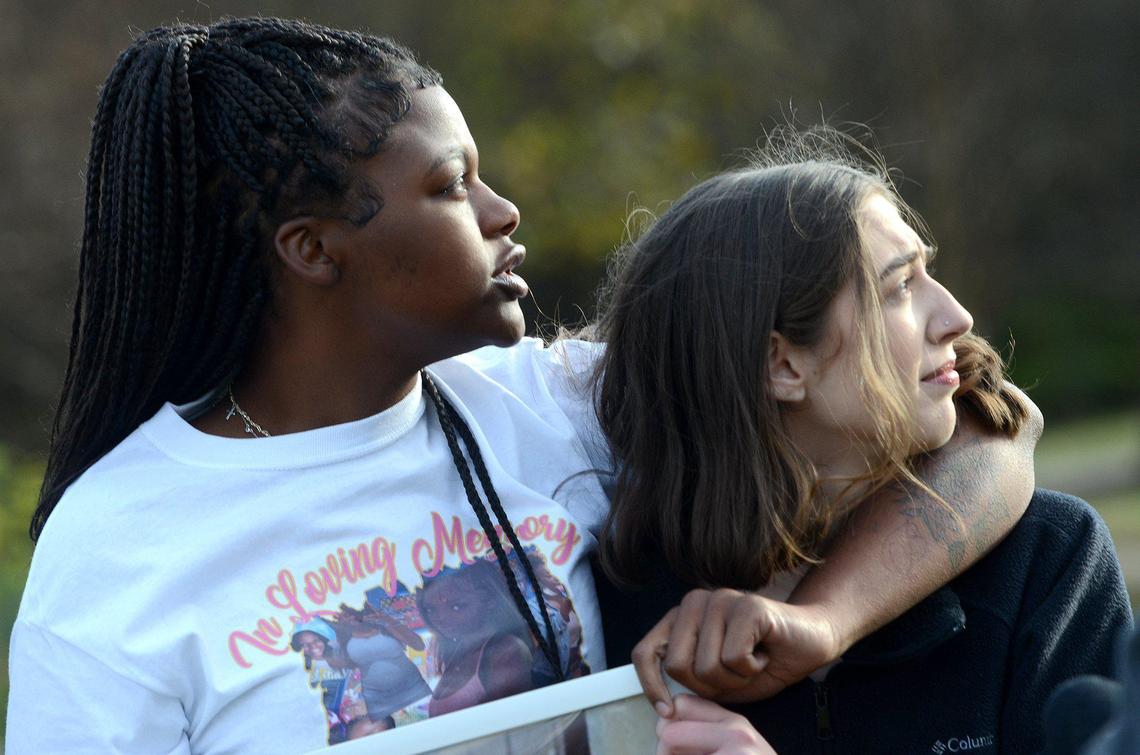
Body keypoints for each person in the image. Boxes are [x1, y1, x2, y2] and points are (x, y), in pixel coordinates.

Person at [6, 18, 1037, 753]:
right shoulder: (118, 549)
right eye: (451, 185)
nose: (503, 210)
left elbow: (987, 431)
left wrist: (825, 621)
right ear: (313, 250)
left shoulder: (549, 408)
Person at [586, 136, 1133, 752]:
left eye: (929, 273)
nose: (956, 316)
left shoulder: (1046, 557)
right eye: (899, 288)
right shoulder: (609, 612)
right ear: (782, 364)